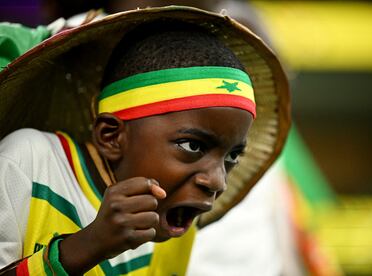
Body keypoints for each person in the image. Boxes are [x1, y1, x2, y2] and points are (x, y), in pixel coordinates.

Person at [0, 6, 290, 275]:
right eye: (192, 146)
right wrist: (84, 248)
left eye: (232, 157)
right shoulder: (27, 164)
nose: (217, 182)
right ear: (111, 136)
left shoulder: (177, 228)